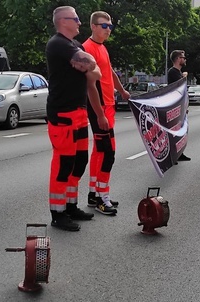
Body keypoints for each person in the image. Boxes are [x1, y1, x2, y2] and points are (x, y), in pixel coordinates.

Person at [45, 6, 109, 231]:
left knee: (79, 161)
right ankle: (58, 212)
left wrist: (87, 67)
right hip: (62, 115)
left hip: (79, 113)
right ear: (63, 21)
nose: (80, 22)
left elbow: (94, 75)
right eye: (76, 19)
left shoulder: (75, 46)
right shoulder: (58, 44)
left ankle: (71, 205)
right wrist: (88, 66)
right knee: (64, 164)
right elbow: (91, 66)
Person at [83, 11, 130, 215]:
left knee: (100, 152)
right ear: (93, 26)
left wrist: (121, 90)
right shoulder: (87, 49)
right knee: (108, 154)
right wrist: (99, 113)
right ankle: (103, 198)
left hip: (108, 106)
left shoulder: (102, 48)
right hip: (99, 108)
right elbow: (90, 85)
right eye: (104, 26)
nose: (108, 30)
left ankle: (93, 193)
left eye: (110, 26)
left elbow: (109, 71)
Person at [167, 50, 191, 162]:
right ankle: (173, 155)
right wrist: (184, 76)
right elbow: (178, 86)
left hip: (181, 106)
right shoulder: (173, 72)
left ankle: (180, 153)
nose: (184, 59)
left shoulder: (178, 73)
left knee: (182, 130)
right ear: (177, 59)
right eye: (183, 57)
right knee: (175, 131)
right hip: (175, 106)